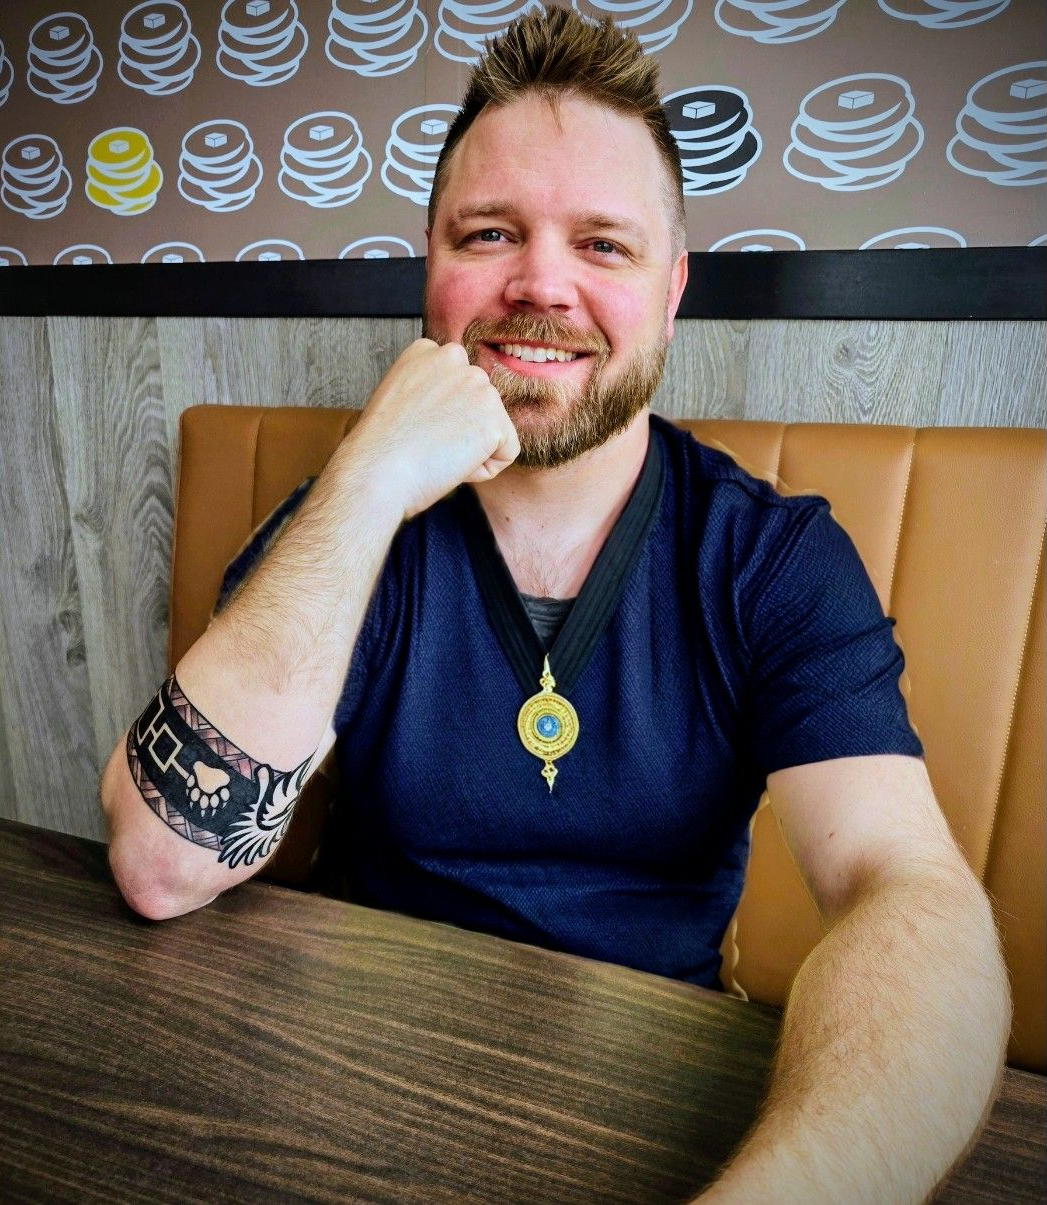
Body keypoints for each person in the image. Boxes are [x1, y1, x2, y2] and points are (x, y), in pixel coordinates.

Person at [101, 7, 1009, 1199]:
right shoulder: (348, 525)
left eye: (604, 245)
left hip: (654, 1108)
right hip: (335, 1089)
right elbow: (162, 862)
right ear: (431, 263)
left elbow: (908, 893)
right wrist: (372, 475)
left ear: (673, 288)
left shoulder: (771, 559)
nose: (540, 284)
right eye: (489, 234)